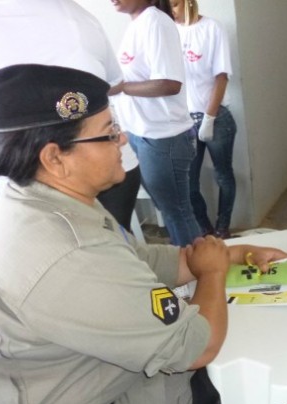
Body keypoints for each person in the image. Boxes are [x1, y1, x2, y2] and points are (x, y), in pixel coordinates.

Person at [0, 64, 287, 404]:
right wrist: (214, 272)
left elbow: (133, 261)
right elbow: (197, 347)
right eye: (108, 134)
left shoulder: (39, 201)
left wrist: (228, 252)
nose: (122, 140)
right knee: (236, 367)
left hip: (37, 397)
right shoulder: (67, 254)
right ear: (55, 157)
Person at [0, 0, 142, 231]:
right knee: (117, 249)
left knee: (64, 261)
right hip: (108, 161)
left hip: (35, 181)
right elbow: (112, 85)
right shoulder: (74, 12)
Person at [112, 0, 201, 247]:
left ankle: (202, 274)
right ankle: (194, 270)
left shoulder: (156, 22)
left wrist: (121, 88)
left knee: (178, 212)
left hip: (164, 137)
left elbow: (169, 83)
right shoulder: (137, 24)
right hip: (142, 134)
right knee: (171, 210)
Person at [172, 0, 237, 240]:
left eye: (175, 5)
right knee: (188, 182)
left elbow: (221, 77)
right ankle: (205, 230)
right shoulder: (168, 31)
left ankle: (223, 229)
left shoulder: (212, 28)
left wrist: (209, 117)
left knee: (223, 175)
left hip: (216, 118)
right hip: (184, 121)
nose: (171, 11)